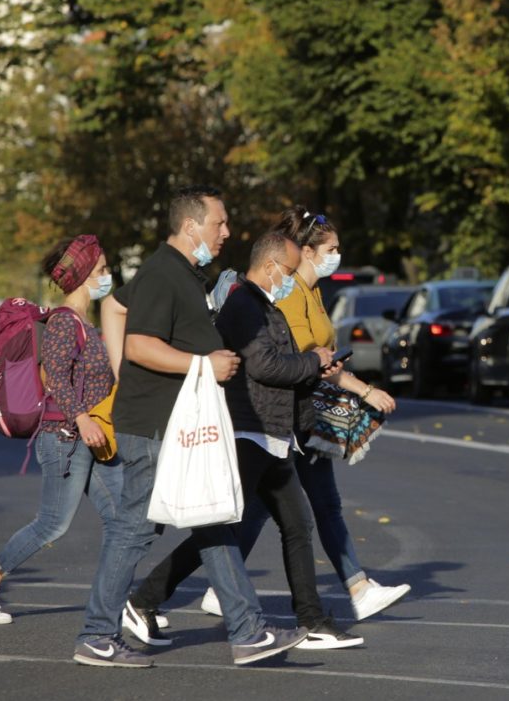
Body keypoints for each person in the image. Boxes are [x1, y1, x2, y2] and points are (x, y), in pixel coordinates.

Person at [73, 185, 307, 668]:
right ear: (190, 226)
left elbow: (116, 308)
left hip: (173, 427)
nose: (227, 232)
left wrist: (126, 377)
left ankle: (247, 631)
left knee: (213, 522)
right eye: (219, 223)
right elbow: (140, 345)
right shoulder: (164, 273)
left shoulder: (179, 272)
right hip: (157, 429)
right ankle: (97, 634)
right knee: (133, 532)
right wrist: (203, 364)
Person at [120, 232, 363, 651]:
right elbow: (264, 365)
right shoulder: (244, 304)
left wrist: (312, 367)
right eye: (287, 272)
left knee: (293, 524)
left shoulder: (263, 304)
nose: (290, 280)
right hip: (248, 429)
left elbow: (277, 363)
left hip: (270, 432)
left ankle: (311, 618)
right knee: (220, 530)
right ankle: (144, 599)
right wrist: (311, 361)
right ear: (270, 266)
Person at [199, 207, 410, 621]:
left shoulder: (311, 292)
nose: (338, 254)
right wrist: (362, 388)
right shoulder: (290, 292)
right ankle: (347, 591)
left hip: (302, 411)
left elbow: (318, 356)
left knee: (288, 508)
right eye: (331, 248)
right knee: (294, 508)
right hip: (286, 414)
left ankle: (224, 588)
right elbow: (290, 357)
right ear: (309, 252)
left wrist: (343, 377)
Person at [0, 235, 120, 625]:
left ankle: (119, 602)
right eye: (101, 270)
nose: (108, 276)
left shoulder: (86, 322)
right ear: (82, 278)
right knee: (53, 523)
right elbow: (56, 379)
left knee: (122, 517)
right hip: (64, 438)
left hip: (87, 435)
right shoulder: (66, 322)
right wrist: (81, 418)